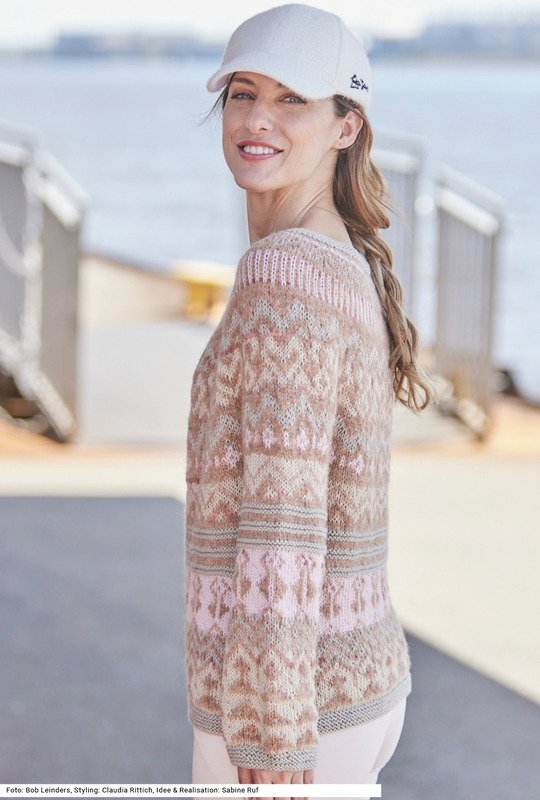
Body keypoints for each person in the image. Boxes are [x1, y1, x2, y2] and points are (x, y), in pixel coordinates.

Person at [183, 4, 435, 799]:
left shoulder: (285, 274)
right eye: (242, 93)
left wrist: (272, 724)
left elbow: (283, 518)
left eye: (293, 98)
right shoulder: (335, 258)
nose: (257, 119)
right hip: (351, 686)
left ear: (345, 127)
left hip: (293, 714)